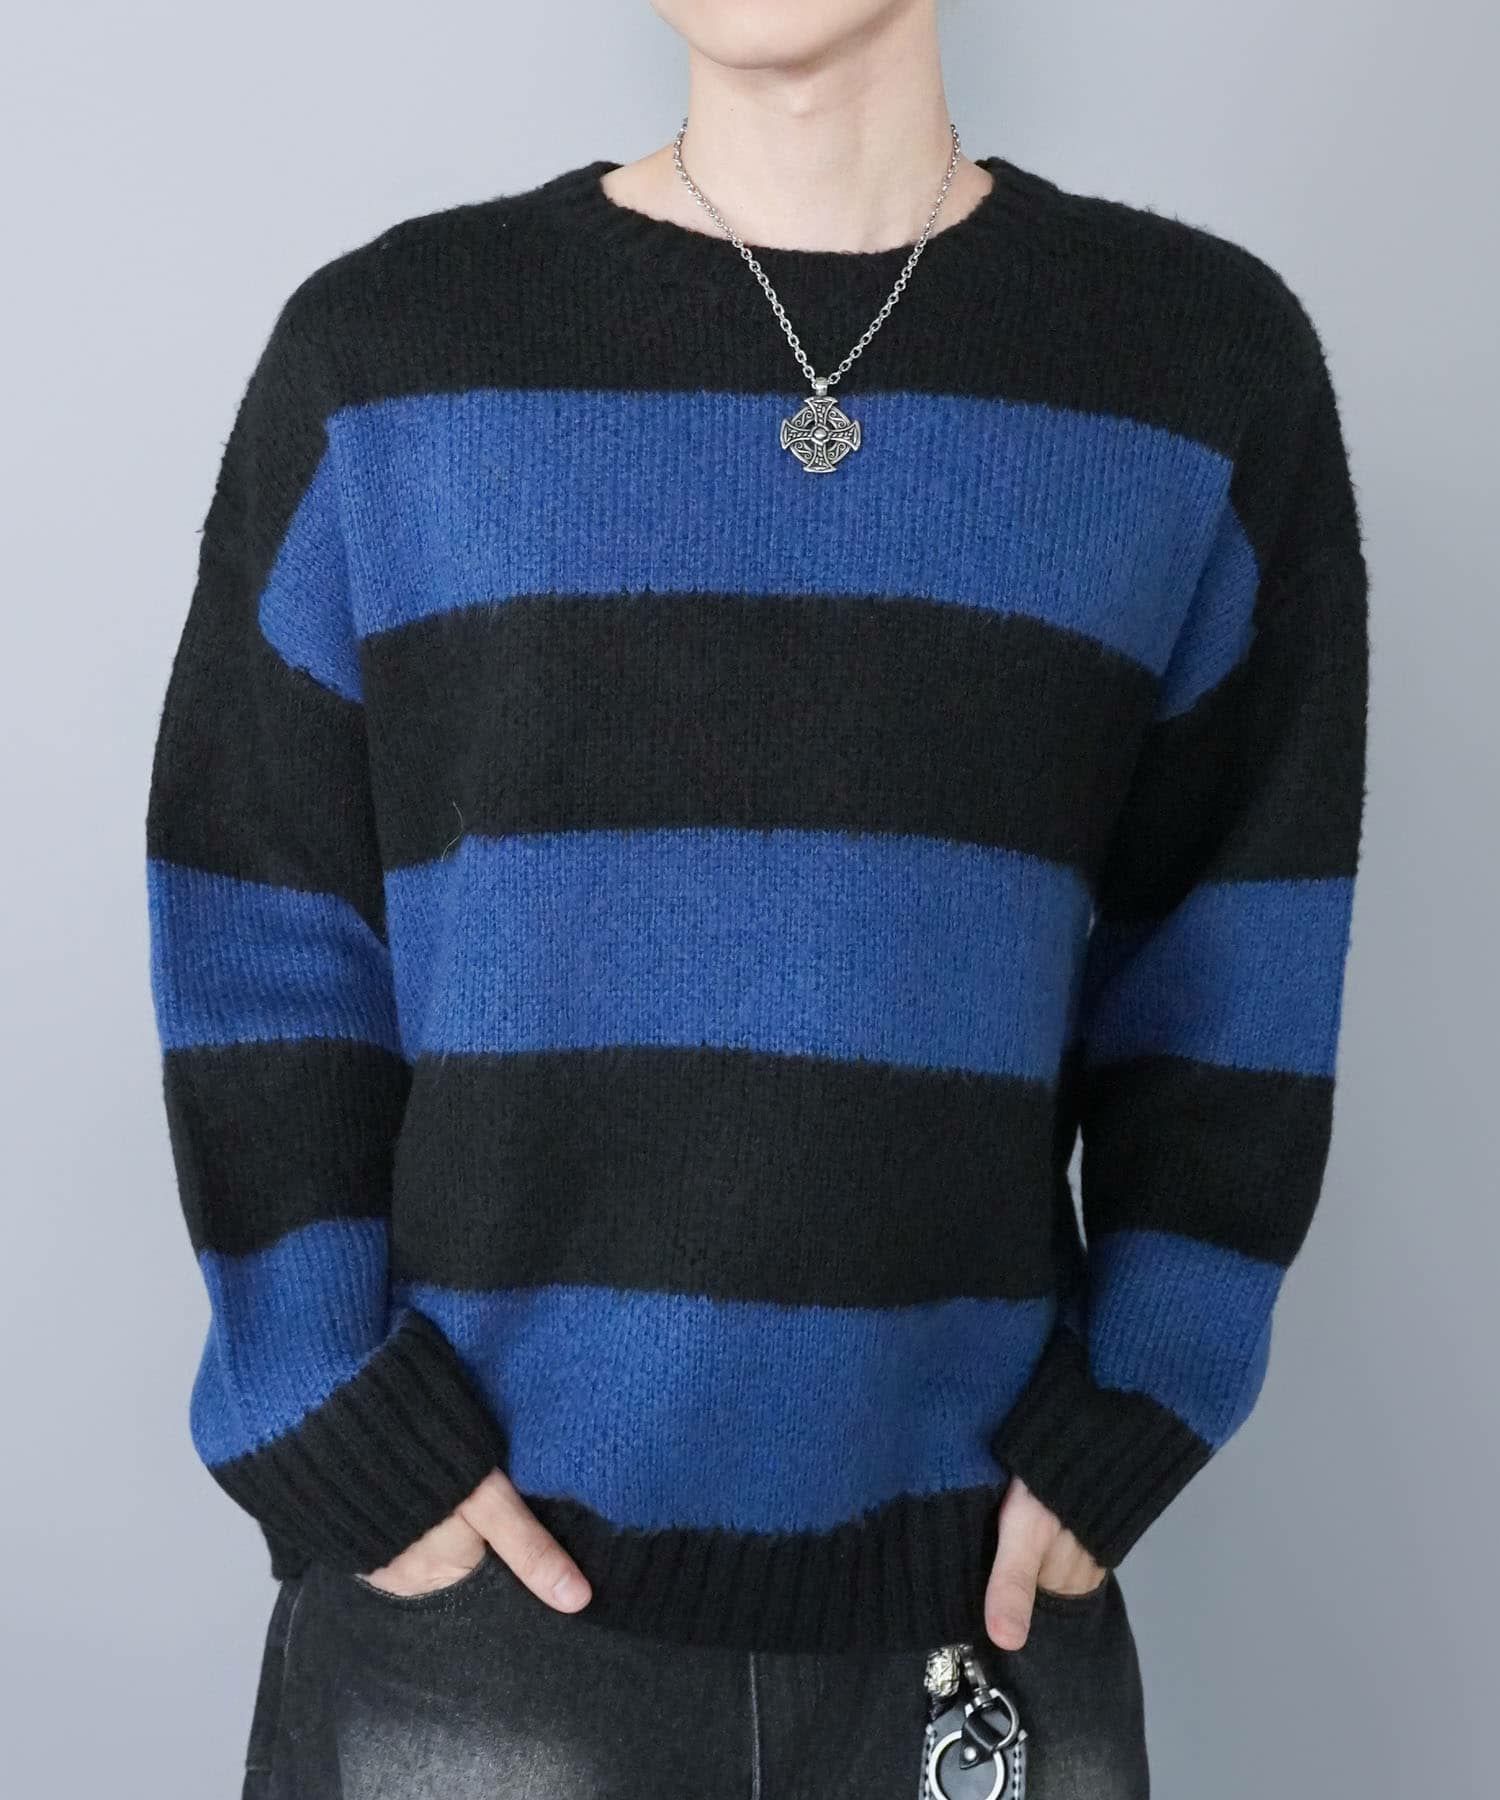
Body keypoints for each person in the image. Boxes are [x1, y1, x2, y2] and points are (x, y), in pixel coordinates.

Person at [143, 2, 1368, 1795]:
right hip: (474, 1607)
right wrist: (335, 1415)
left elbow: (1236, 937)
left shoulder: (1195, 369)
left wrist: (1143, 1395)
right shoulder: (387, 357)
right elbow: (263, 915)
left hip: (973, 1600)